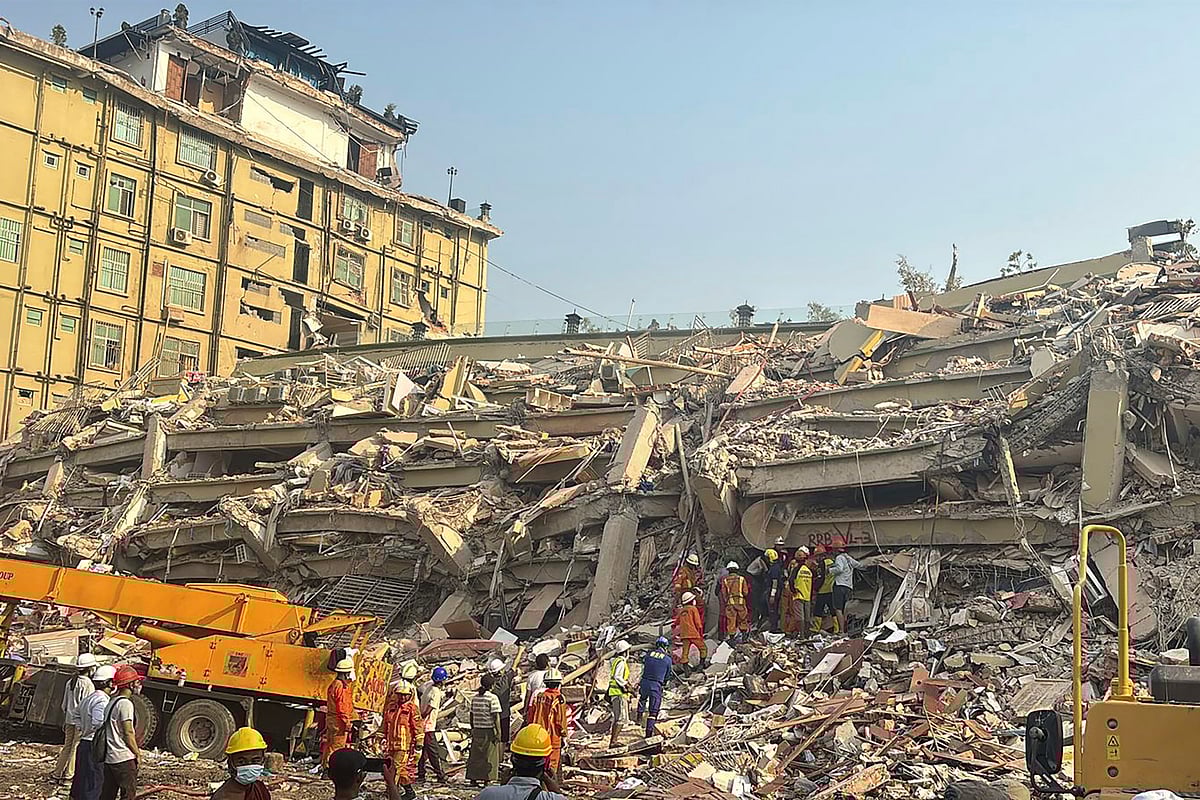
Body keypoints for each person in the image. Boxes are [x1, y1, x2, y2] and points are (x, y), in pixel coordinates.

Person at [473, 725, 566, 800]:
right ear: (546, 763)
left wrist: (503, 786)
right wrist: (555, 789)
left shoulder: (487, 795)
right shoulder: (552, 798)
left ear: (512, 759)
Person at [70, 664, 114, 800]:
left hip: (85, 743)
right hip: (94, 746)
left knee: (82, 781)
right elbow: (98, 722)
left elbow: (75, 715)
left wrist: (83, 728)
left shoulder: (89, 698)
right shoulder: (102, 701)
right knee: (94, 783)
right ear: (109, 683)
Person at [99, 664, 142, 800]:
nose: (139, 685)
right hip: (123, 758)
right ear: (130, 684)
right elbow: (128, 732)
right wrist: (137, 753)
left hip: (110, 757)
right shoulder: (125, 704)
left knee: (107, 795)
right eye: (137, 682)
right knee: (128, 795)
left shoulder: (111, 702)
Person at [55, 653, 98, 781]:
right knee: (75, 746)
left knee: (67, 746)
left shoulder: (70, 682)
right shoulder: (88, 684)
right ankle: (69, 774)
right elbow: (87, 705)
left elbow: (64, 705)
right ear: (90, 669)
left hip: (69, 719)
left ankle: (57, 772)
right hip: (80, 721)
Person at [382, 680, 423, 800]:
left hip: (404, 745)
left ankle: (392, 793)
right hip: (391, 745)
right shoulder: (391, 707)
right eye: (400, 694)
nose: (403, 697)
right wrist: (379, 737)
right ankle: (409, 792)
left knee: (395, 769)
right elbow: (384, 724)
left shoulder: (412, 709)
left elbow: (418, 726)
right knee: (399, 769)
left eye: (405, 695)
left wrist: (419, 742)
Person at [524, 668, 567, 779]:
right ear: (559, 684)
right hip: (552, 737)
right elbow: (560, 721)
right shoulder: (559, 699)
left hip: (537, 736)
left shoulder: (539, 696)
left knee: (539, 763)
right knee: (551, 766)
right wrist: (564, 735)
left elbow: (531, 715)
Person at [210, 727, 271, 800]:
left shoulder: (260, 789)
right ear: (230, 762)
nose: (249, 766)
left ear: (263, 760)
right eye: (242, 762)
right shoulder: (223, 797)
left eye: (255, 761)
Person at [466, 674, 502, 786]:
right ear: (492, 685)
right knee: (489, 756)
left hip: (477, 729)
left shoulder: (475, 698)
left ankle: (473, 778)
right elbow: (496, 717)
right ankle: (487, 779)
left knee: (476, 755)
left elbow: (471, 714)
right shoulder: (492, 698)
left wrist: (472, 727)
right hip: (488, 730)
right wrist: (499, 732)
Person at [416, 666, 449, 783]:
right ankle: (440, 775)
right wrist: (422, 716)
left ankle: (421, 774)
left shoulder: (429, 688)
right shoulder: (436, 692)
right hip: (428, 726)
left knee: (423, 752)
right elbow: (430, 708)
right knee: (433, 752)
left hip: (422, 726)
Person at [322, 658, 356, 769]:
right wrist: (347, 722)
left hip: (333, 719)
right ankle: (329, 769)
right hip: (338, 721)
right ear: (346, 673)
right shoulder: (340, 686)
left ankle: (325, 767)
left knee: (330, 745)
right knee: (336, 747)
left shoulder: (334, 684)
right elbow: (342, 706)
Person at [636, 637, 672, 738]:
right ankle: (648, 733)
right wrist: (664, 682)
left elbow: (644, 666)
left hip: (644, 681)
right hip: (656, 685)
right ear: (665, 647)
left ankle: (638, 719)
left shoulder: (648, 655)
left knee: (642, 699)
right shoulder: (667, 659)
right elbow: (668, 675)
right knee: (653, 711)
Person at [831, 546, 864, 635]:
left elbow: (839, 569)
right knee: (845, 609)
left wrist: (829, 570)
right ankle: (847, 630)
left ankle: (841, 631)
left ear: (836, 550)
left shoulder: (839, 558)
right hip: (848, 587)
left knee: (838, 609)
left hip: (839, 586)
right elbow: (860, 565)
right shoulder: (848, 558)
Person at [606, 641, 631, 748]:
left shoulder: (615, 661)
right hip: (618, 693)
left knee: (618, 718)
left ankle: (613, 741)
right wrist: (626, 685)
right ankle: (614, 741)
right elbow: (618, 677)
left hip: (615, 693)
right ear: (625, 651)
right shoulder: (621, 662)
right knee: (620, 718)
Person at [719, 562, 750, 642]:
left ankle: (732, 639)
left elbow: (724, 594)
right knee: (743, 619)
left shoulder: (725, 580)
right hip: (740, 603)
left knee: (731, 621)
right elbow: (745, 592)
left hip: (730, 603)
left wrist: (727, 601)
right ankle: (744, 638)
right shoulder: (741, 579)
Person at [786, 548, 813, 638]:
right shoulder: (809, 570)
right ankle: (807, 634)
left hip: (798, 595)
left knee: (799, 616)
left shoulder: (796, 569)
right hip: (807, 596)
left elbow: (791, 580)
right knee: (807, 617)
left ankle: (802, 635)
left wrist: (793, 591)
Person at [487, 659, 514, 749]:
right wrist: (520, 652)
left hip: (492, 716)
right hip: (505, 715)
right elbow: (514, 666)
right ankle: (500, 756)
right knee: (503, 739)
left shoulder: (490, 684)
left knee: (495, 738)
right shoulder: (506, 680)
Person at [675, 592, 706, 667]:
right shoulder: (693, 609)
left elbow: (676, 621)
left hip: (684, 635)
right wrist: (700, 634)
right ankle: (701, 665)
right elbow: (698, 623)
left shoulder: (681, 610)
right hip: (693, 634)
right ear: (692, 601)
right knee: (703, 648)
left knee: (685, 652)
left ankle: (686, 669)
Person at [812, 546, 836, 633]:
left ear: (820, 555)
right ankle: (837, 629)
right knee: (833, 610)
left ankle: (816, 628)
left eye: (816, 556)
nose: (816, 558)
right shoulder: (832, 562)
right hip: (831, 589)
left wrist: (815, 588)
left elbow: (820, 578)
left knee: (818, 610)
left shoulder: (822, 564)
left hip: (823, 590)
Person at [524, 654, 550, 718]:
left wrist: (525, 710)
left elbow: (528, 695)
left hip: (535, 705)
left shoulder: (532, 676)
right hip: (549, 704)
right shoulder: (552, 674)